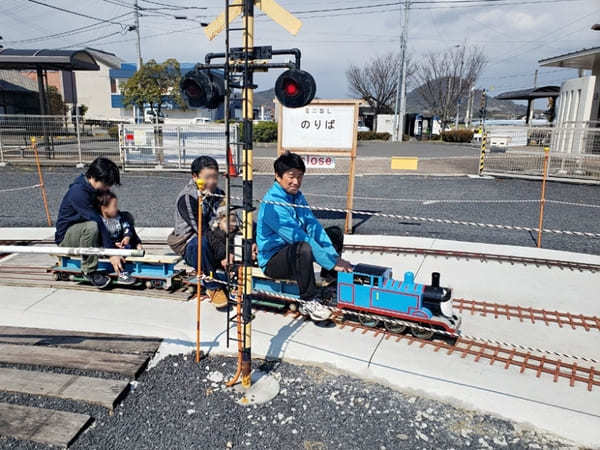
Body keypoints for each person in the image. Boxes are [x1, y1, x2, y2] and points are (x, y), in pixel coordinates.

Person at [257, 151, 353, 321]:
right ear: (278, 176)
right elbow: (299, 237)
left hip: (291, 251)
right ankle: (307, 300)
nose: (296, 181)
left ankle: (329, 281)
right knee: (303, 248)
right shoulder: (273, 205)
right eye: (291, 176)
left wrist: (333, 258)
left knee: (333, 233)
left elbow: (312, 226)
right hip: (273, 260)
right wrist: (330, 262)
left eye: (300, 176)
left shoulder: (297, 196)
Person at [54, 157, 125, 289]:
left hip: (80, 232)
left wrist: (109, 243)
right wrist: (111, 252)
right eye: (107, 184)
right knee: (93, 225)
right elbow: (96, 221)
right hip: (66, 238)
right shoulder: (78, 192)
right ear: (96, 178)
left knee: (100, 223)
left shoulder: (91, 189)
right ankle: (89, 271)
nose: (108, 187)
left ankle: (99, 254)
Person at [168, 156, 228, 308]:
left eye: (215, 177)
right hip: (190, 242)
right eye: (208, 177)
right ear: (195, 177)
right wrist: (223, 254)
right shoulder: (187, 197)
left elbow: (227, 219)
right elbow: (201, 230)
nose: (212, 181)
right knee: (200, 243)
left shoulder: (219, 193)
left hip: (214, 237)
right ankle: (212, 286)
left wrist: (231, 245)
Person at [96, 191, 143, 285]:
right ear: (104, 208)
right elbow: (99, 239)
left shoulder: (120, 217)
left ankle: (137, 259)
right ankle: (121, 273)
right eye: (114, 206)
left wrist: (128, 237)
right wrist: (113, 245)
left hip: (122, 245)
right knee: (118, 255)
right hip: (107, 248)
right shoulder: (99, 221)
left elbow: (128, 228)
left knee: (130, 246)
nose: (117, 209)